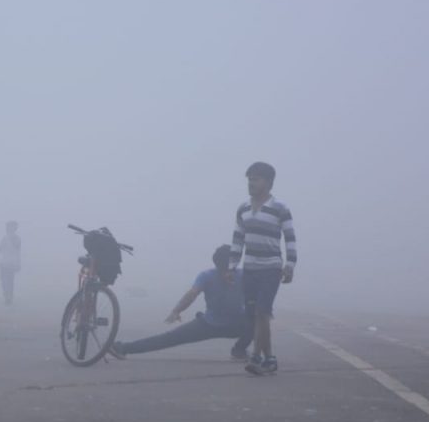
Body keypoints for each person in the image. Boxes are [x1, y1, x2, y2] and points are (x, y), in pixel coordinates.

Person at [110, 245, 252, 359]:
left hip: (235, 324)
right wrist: (177, 311)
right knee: (168, 338)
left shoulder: (242, 276)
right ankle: (123, 347)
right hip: (208, 324)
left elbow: (257, 298)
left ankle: (239, 350)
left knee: (257, 322)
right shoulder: (208, 276)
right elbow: (192, 294)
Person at [227, 161, 297, 376]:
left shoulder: (280, 208)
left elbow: (290, 238)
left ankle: (256, 357)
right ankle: (270, 359)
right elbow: (238, 238)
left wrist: (290, 264)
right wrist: (232, 266)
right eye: (249, 180)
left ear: (267, 182)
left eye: (255, 180)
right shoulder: (243, 209)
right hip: (249, 268)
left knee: (262, 311)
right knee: (256, 315)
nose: (251, 183)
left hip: (271, 268)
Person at [0, 220, 21, 305]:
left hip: (11, 263)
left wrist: (18, 263)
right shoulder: (5, 238)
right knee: (4, 280)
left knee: (9, 280)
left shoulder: (16, 239)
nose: (8, 228)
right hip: (4, 262)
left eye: (11, 227)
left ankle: (9, 297)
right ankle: (7, 296)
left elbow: (17, 251)